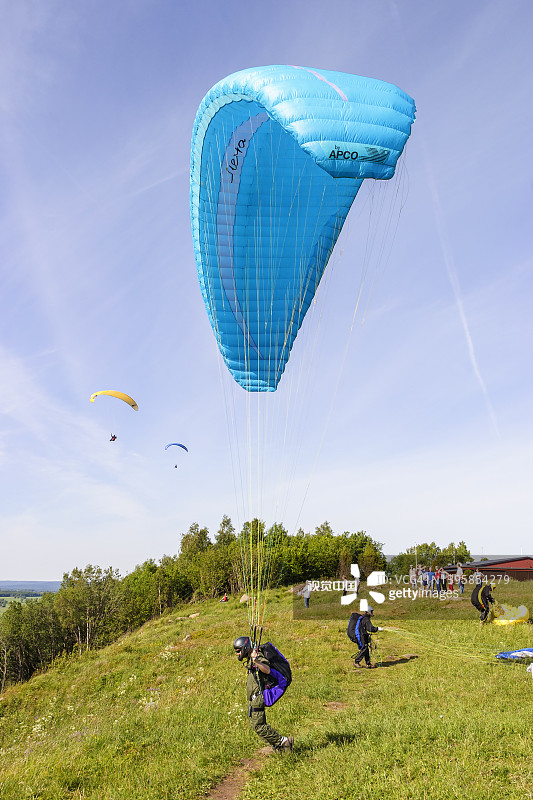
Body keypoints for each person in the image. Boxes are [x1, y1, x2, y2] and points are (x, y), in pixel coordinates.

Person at [233, 636, 294, 752]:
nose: (238, 654)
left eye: (238, 651)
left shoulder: (258, 657)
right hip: (254, 698)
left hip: (259, 697)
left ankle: (284, 742)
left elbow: (267, 669)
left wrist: (256, 660)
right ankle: (278, 746)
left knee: (259, 726)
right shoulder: (252, 657)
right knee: (256, 725)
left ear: (245, 648)